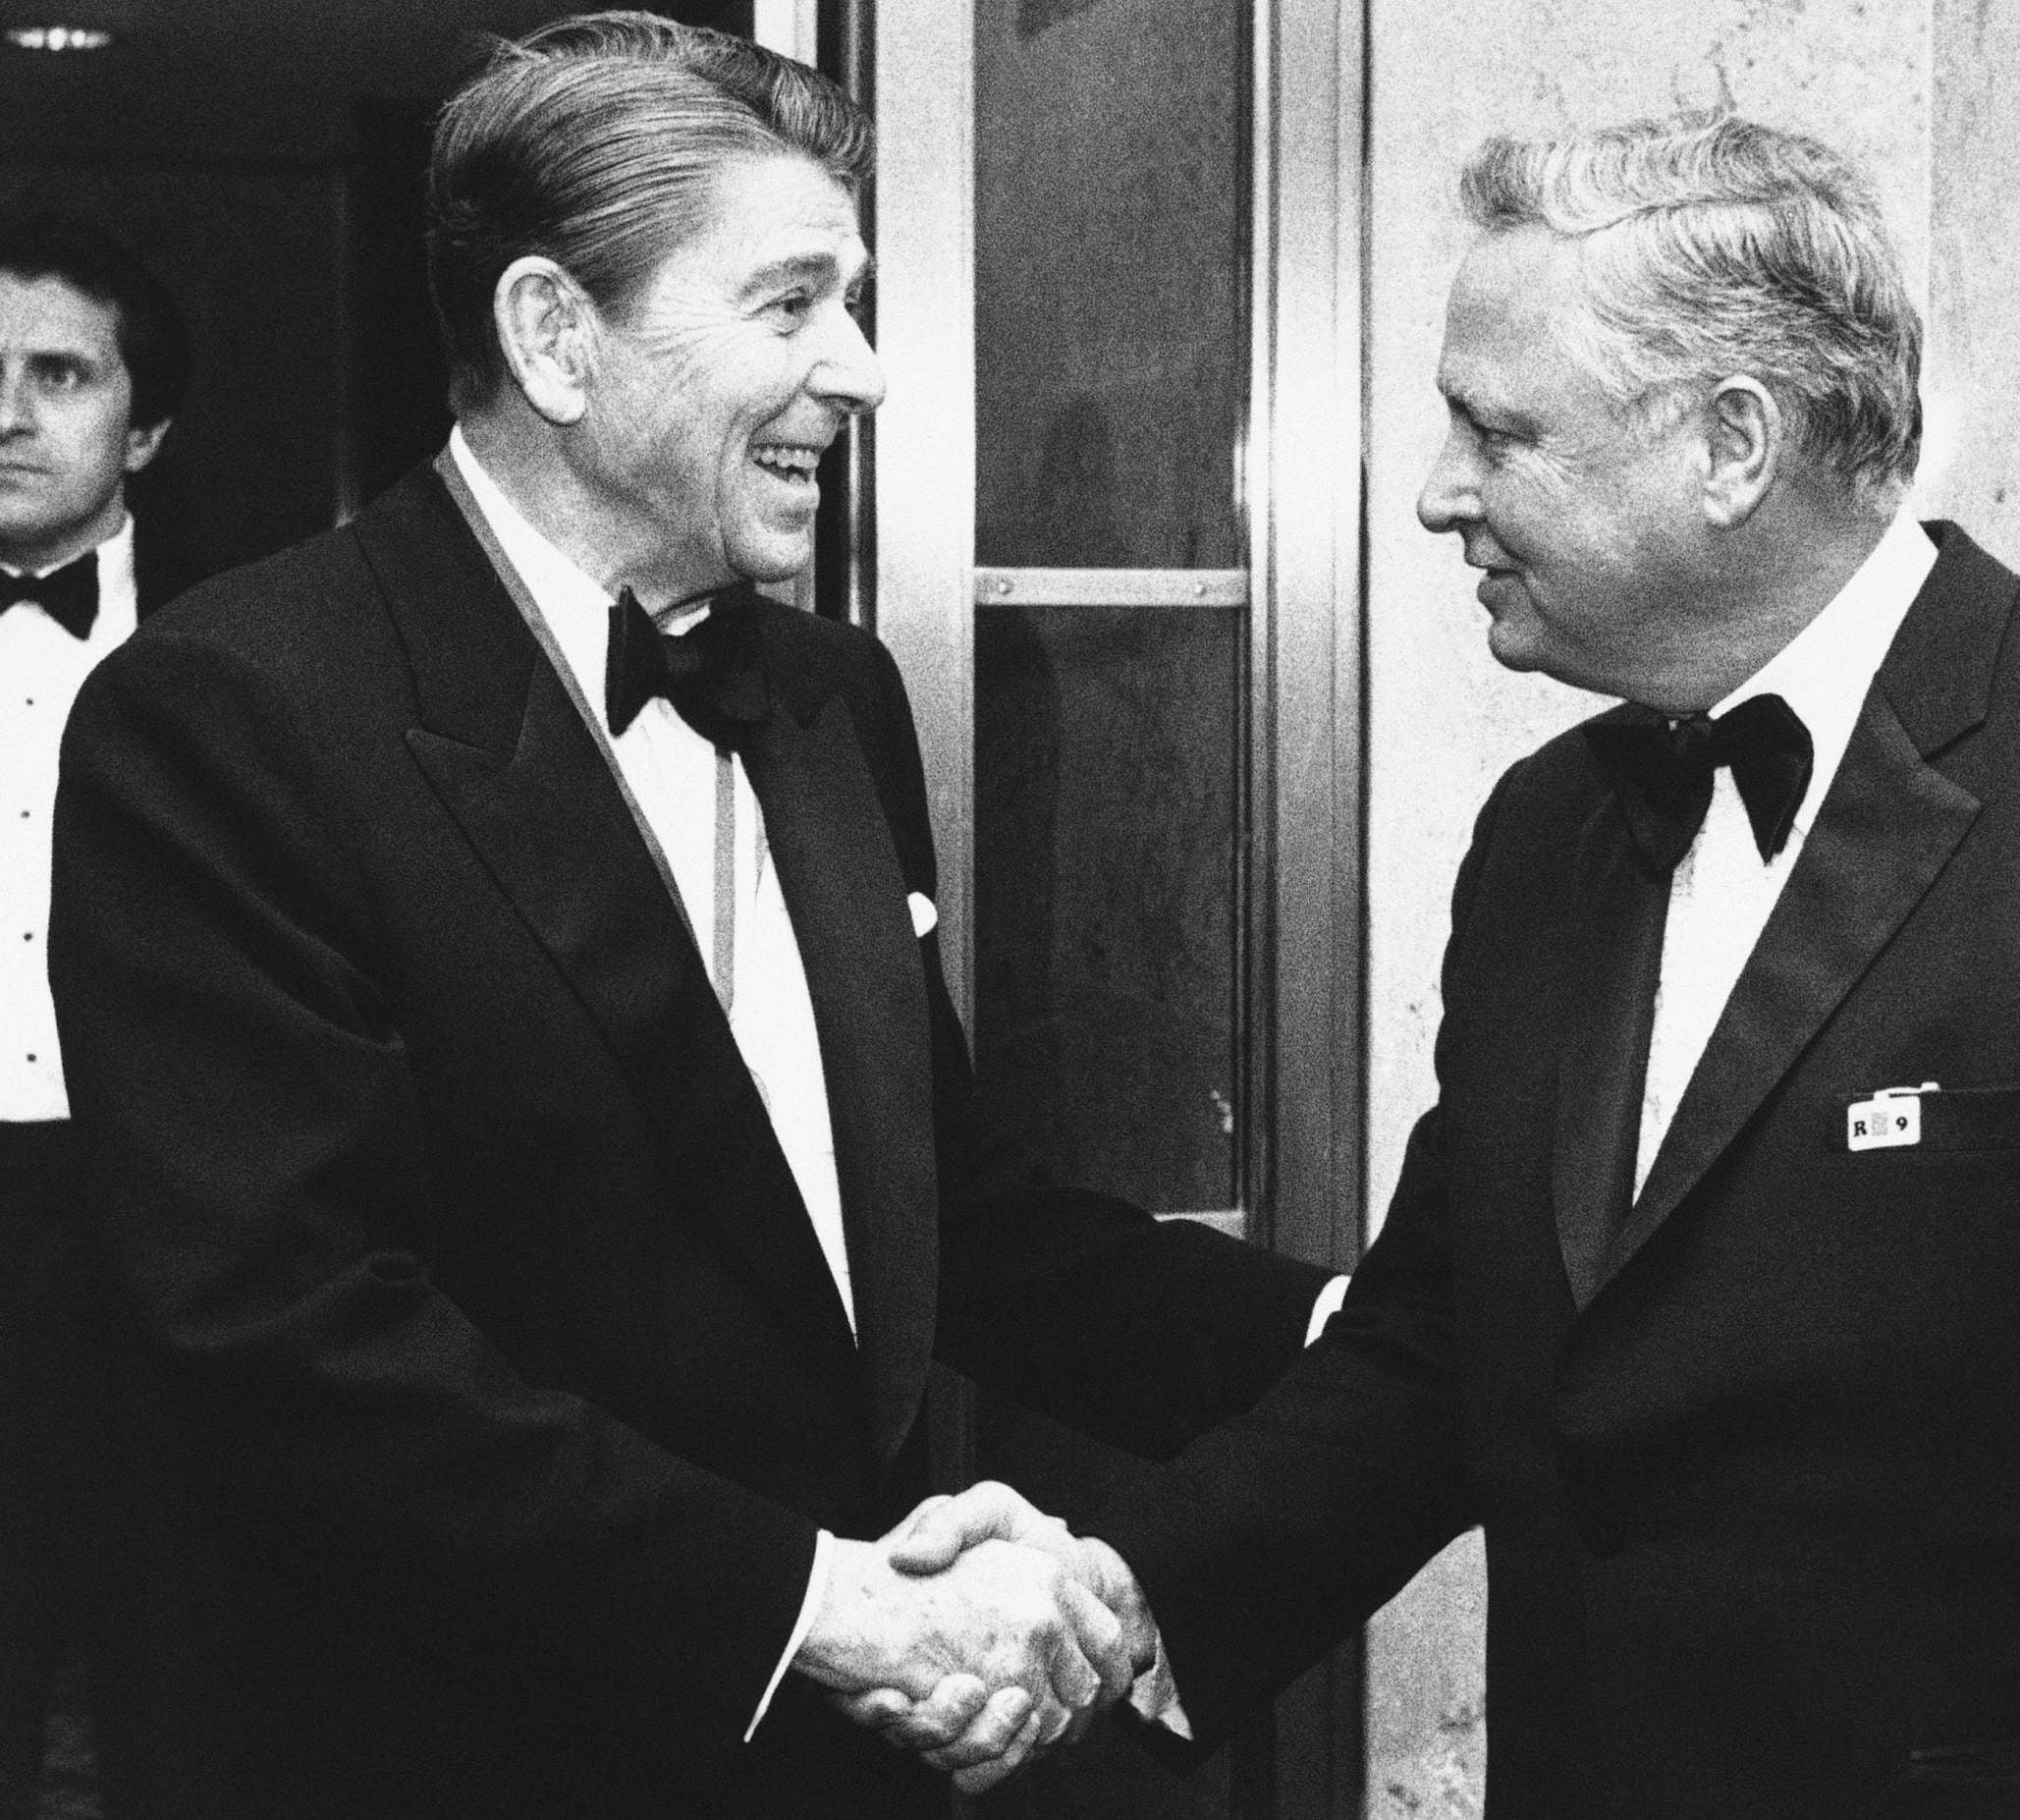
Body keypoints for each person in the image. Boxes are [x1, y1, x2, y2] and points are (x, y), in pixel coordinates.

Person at [887, 114, 2020, 1814]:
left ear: (1730, 444)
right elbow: (1434, 1352)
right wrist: (1121, 1595)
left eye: (1497, 430)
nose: (1433, 491)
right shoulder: (1546, 832)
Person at [44, 15, 1332, 1817]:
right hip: (440, 1748)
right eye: (791, 302)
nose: (864, 368)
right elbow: (294, 1342)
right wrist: (813, 1604)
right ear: (554, 337)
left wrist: (1356, 1340)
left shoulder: (832, 697)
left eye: (852, 300)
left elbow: (940, 1220)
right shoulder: (227, 715)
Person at [1, 209, 196, 1820]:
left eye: (57, 373)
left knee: (179, 1677)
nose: (3, 411)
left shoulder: (258, 650)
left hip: (183, 1228)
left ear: (147, 425)